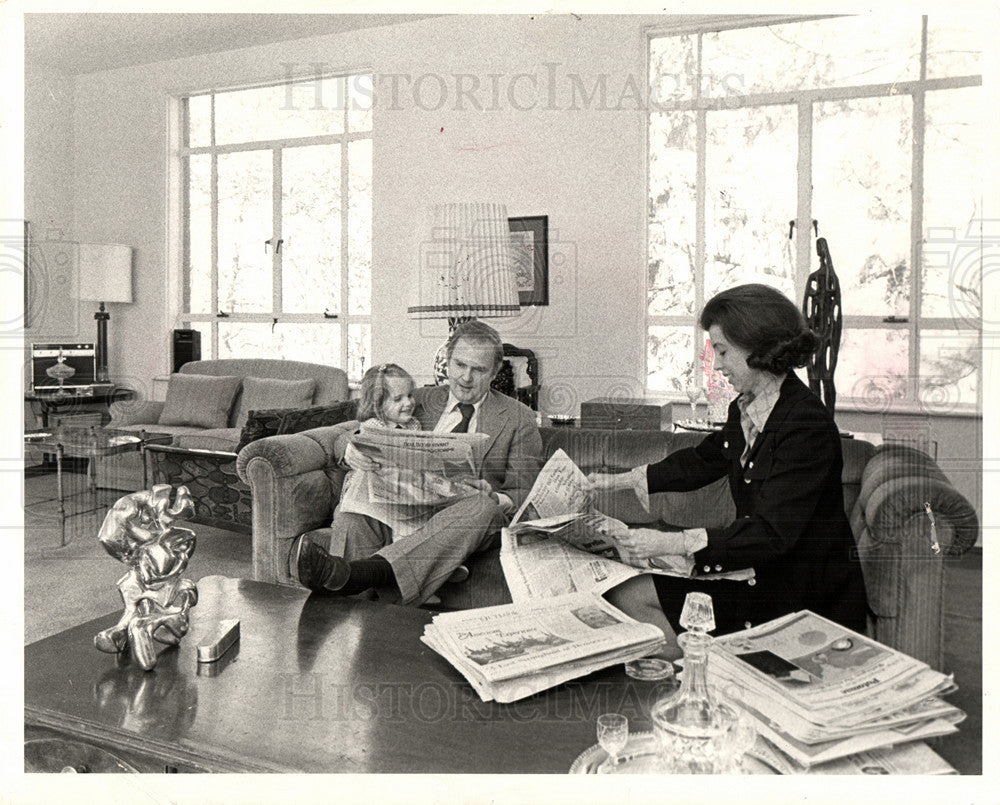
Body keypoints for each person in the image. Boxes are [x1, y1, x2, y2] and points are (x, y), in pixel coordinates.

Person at [590, 284, 867, 657]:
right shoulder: (751, 405)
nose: (717, 365)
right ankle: (707, 668)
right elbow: (707, 458)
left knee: (632, 596)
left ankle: (711, 672)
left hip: (796, 593)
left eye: (722, 351)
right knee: (623, 592)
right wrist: (627, 478)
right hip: (758, 570)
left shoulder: (806, 426)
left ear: (758, 347)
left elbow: (772, 533)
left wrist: (672, 543)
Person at [293, 320, 543, 605]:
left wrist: (495, 496)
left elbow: (524, 492)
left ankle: (358, 576)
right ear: (447, 360)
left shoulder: (518, 416)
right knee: (353, 516)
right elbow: (354, 430)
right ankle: (356, 612)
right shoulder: (416, 400)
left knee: (483, 507)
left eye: (479, 370)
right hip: (404, 505)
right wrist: (350, 448)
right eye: (459, 365)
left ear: (496, 371)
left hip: (463, 518)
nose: (465, 378)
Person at [355, 363, 421, 431]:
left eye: (409, 395)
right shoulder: (372, 426)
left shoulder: (414, 424)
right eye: (398, 399)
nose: (408, 403)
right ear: (379, 404)